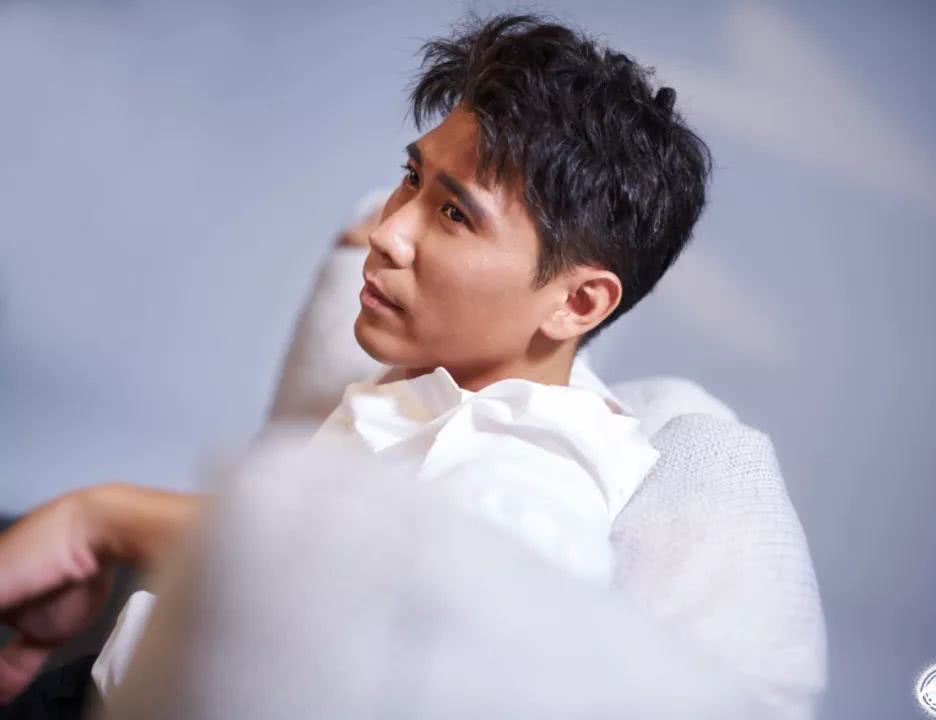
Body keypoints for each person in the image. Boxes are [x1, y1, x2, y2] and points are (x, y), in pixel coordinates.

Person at [0, 10, 712, 710]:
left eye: (455, 214)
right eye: (413, 178)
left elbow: (364, 608)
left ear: (579, 304)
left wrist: (101, 520)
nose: (388, 232)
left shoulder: (527, 495)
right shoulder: (469, 376)